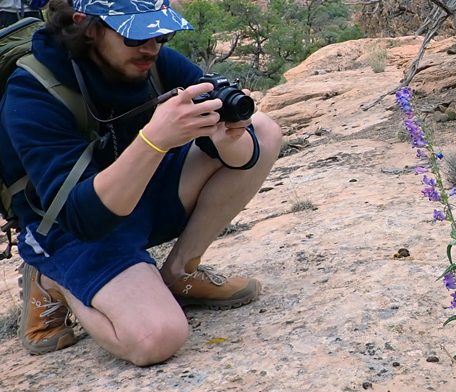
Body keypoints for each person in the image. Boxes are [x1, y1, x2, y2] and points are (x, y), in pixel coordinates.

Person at [0, 0, 281, 365]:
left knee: (263, 130)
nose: (152, 47)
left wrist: (229, 139)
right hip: (68, 225)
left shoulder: (155, 64)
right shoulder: (34, 91)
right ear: (87, 26)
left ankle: (180, 272)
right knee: (155, 337)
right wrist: (155, 140)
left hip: (137, 195)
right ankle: (55, 282)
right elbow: (83, 218)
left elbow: (245, 158)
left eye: (162, 34)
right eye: (136, 36)